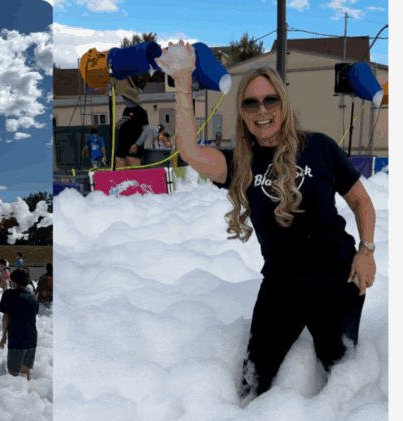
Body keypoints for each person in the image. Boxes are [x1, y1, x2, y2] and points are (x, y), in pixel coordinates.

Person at [170, 44, 377, 401]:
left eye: (270, 100)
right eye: (250, 102)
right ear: (242, 112)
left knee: (342, 381)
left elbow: (361, 201)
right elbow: (189, 150)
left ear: (284, 103)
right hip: (282, 284)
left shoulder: (319, 148)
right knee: (252, 382)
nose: (262, 110)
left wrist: (366, 250)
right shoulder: (240, 162)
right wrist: (181, 79)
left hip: (336, 279)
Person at [0, 267, 39, 380]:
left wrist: (3, 336)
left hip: (17, 340)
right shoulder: (33, 298)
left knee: (13, 375)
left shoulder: (8, 295)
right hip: (32, 339)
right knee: (25, 372)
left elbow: (5, 318)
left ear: (14, 282)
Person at [115, 88, 151, 168]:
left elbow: (146, 130)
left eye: (125, 98)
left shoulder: (141, 112)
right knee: (119, 173)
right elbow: (125, 121)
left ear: (130, 99)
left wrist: (137, 144)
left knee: (133, 174)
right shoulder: (126, 110)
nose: (123, 100)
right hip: (121, 146)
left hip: (132, 147)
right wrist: (119, 124)